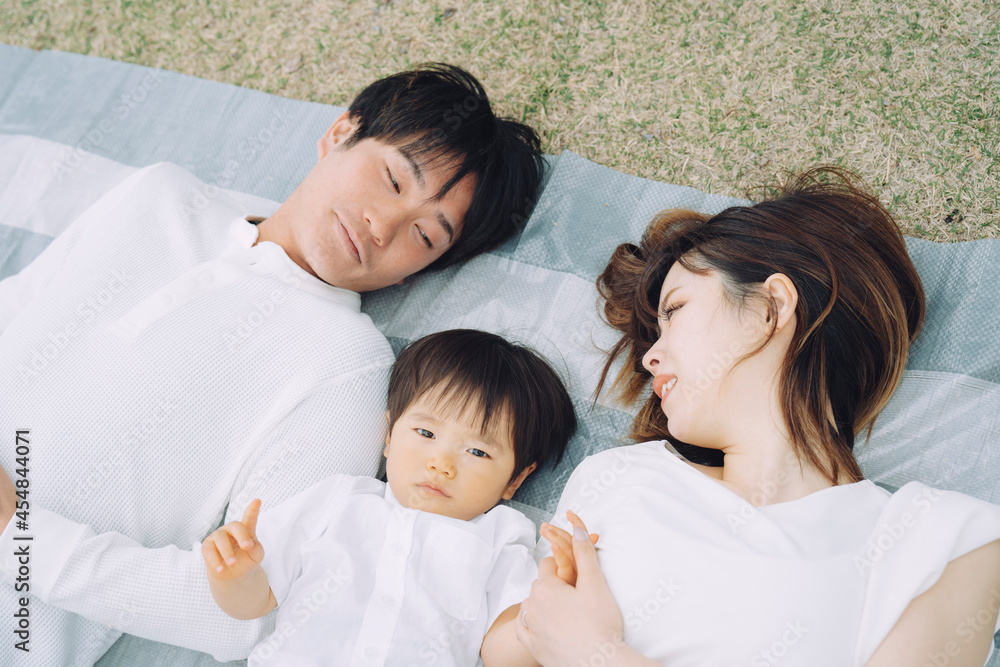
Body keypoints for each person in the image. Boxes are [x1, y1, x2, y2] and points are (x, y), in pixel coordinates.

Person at [0, 64, 544, 664]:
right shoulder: (157, 196)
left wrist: (17, 536)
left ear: (418, 274)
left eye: (424, 236)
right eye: (392, 180)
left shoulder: (348, 368)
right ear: (341, 132)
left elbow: (242, 613)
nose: (383, 225)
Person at [514, 168, 1000, 666]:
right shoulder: (614, 477)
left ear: (771, 307)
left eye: (675, 310)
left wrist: (593, 653)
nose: (650, 358)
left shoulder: (946, 542)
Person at [197, 329, 578, 665]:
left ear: (516, 479)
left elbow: (502, 656)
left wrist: (545, 609)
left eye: (477, 452)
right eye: (426, 433)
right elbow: (253, 604)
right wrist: (235, 576)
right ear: (390, 435)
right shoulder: (338, 500)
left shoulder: (502, 538)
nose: (441, 464)